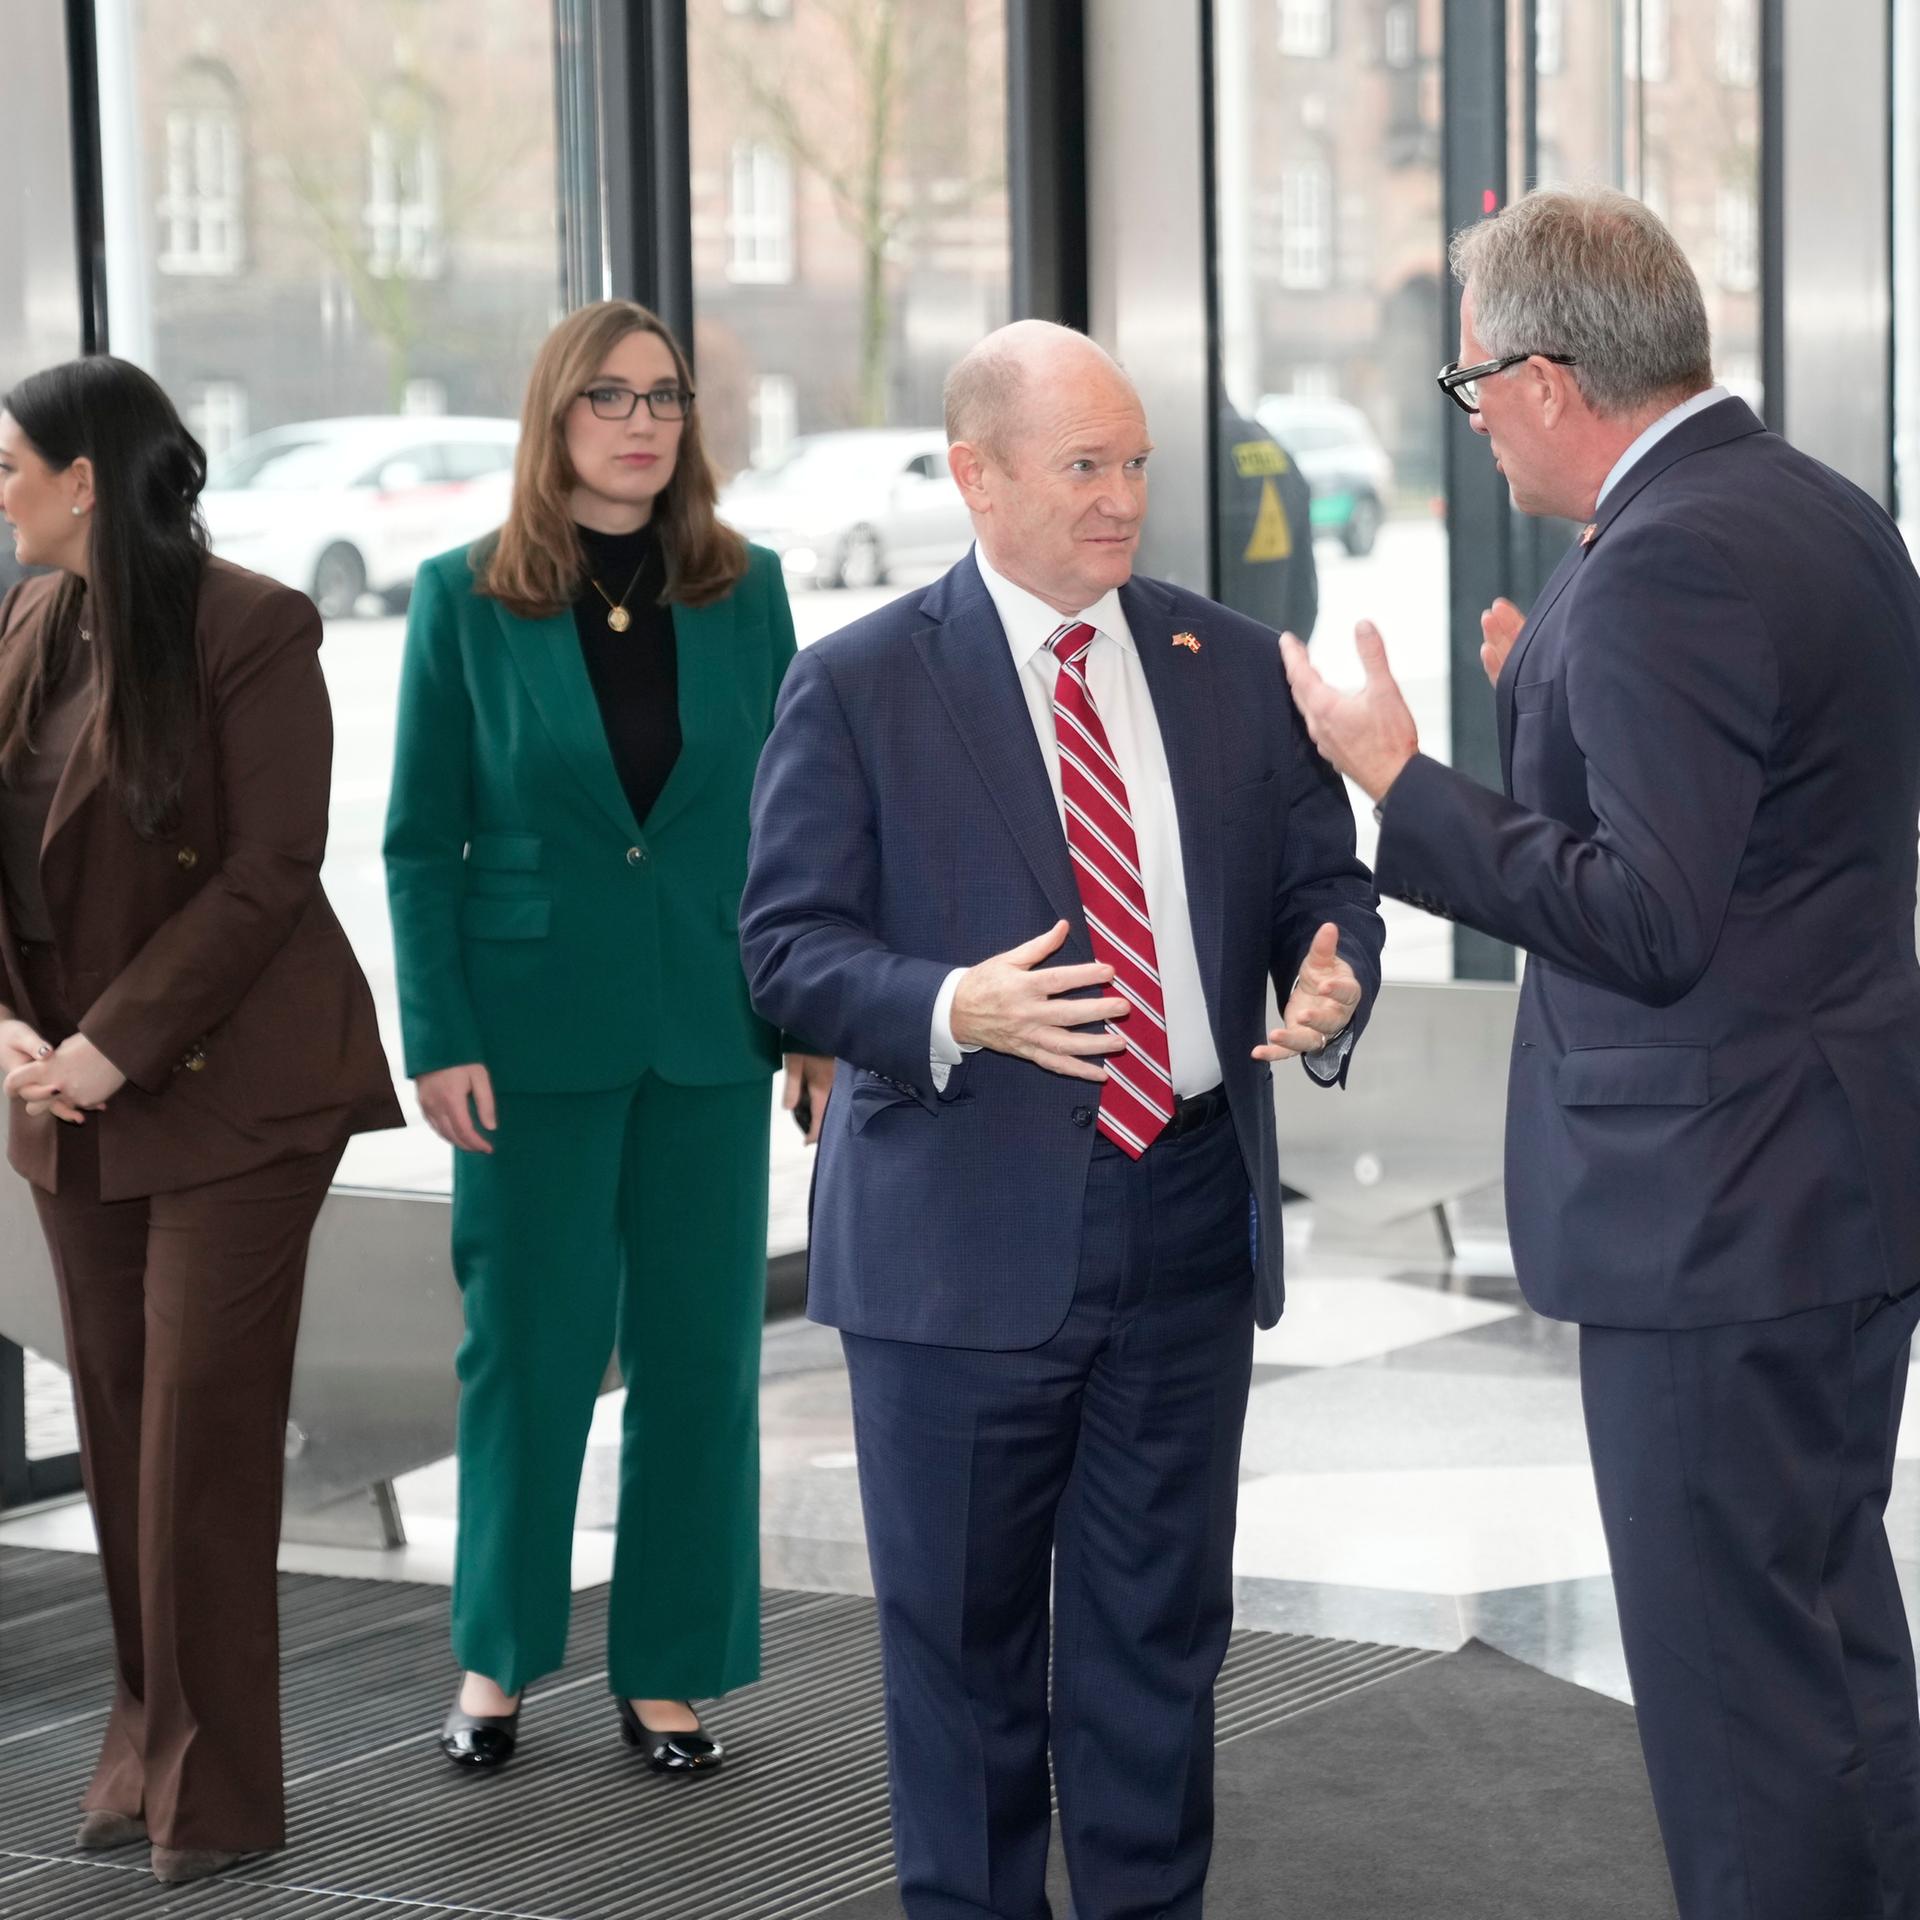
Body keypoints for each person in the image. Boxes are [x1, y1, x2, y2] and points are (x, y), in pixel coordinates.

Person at [1281, 188, 1920, 1920]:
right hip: (1828, 1178)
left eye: (1473, 383)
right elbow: (1770, 824)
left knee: (1735, 1700)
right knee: (1827, 1648)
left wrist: (1400, 782)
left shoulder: (1661, 563)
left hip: (1713, 1211)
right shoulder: (1817, 511)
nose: (1475, 419)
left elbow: (1649, 917)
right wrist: (1547, 697)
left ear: (1550, 379)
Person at [740, 320, 1384, 1919]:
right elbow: (785, 949)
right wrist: (953, 1005)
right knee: (963, 1663)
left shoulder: (1230, 662)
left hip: (1186, 1217)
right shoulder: (859, 683)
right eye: (1084, 466)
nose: (1123, 500)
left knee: (1158, 1643)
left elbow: (1323, 884)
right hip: (957, 1246)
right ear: (978, 475)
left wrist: (1332, 972)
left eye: (1136, 463)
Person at [384, 299, 831, 1777]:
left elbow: (795, 825)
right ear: (555, 416)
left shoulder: (746, 590)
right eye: (610, 397)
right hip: (526, 1037)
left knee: (703, 1360)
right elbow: (420, 841)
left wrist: (811, 1016)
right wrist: (439, 1034)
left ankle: (672, 1671)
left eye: (665, 398)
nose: (643, 424)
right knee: (528, 1353)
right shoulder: (464, 595)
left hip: (711, 1023)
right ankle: (497, 1656)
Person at [0, 356, 402, 1884]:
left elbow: (270, 870)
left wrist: (115, 1043)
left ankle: (216, 1792)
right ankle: (143, 1743)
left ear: (85, 478)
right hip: (71, 1093)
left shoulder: (256, 623)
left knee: (198, 1446)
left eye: (12, 463)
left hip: (236, 1090)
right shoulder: (31, 619)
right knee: (119, 1432)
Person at [1215, 394, 1317, 643]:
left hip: (1220, 644)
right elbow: (1305, 591)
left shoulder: (1200, 451)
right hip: (1276, 646)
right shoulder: (1271, 444)